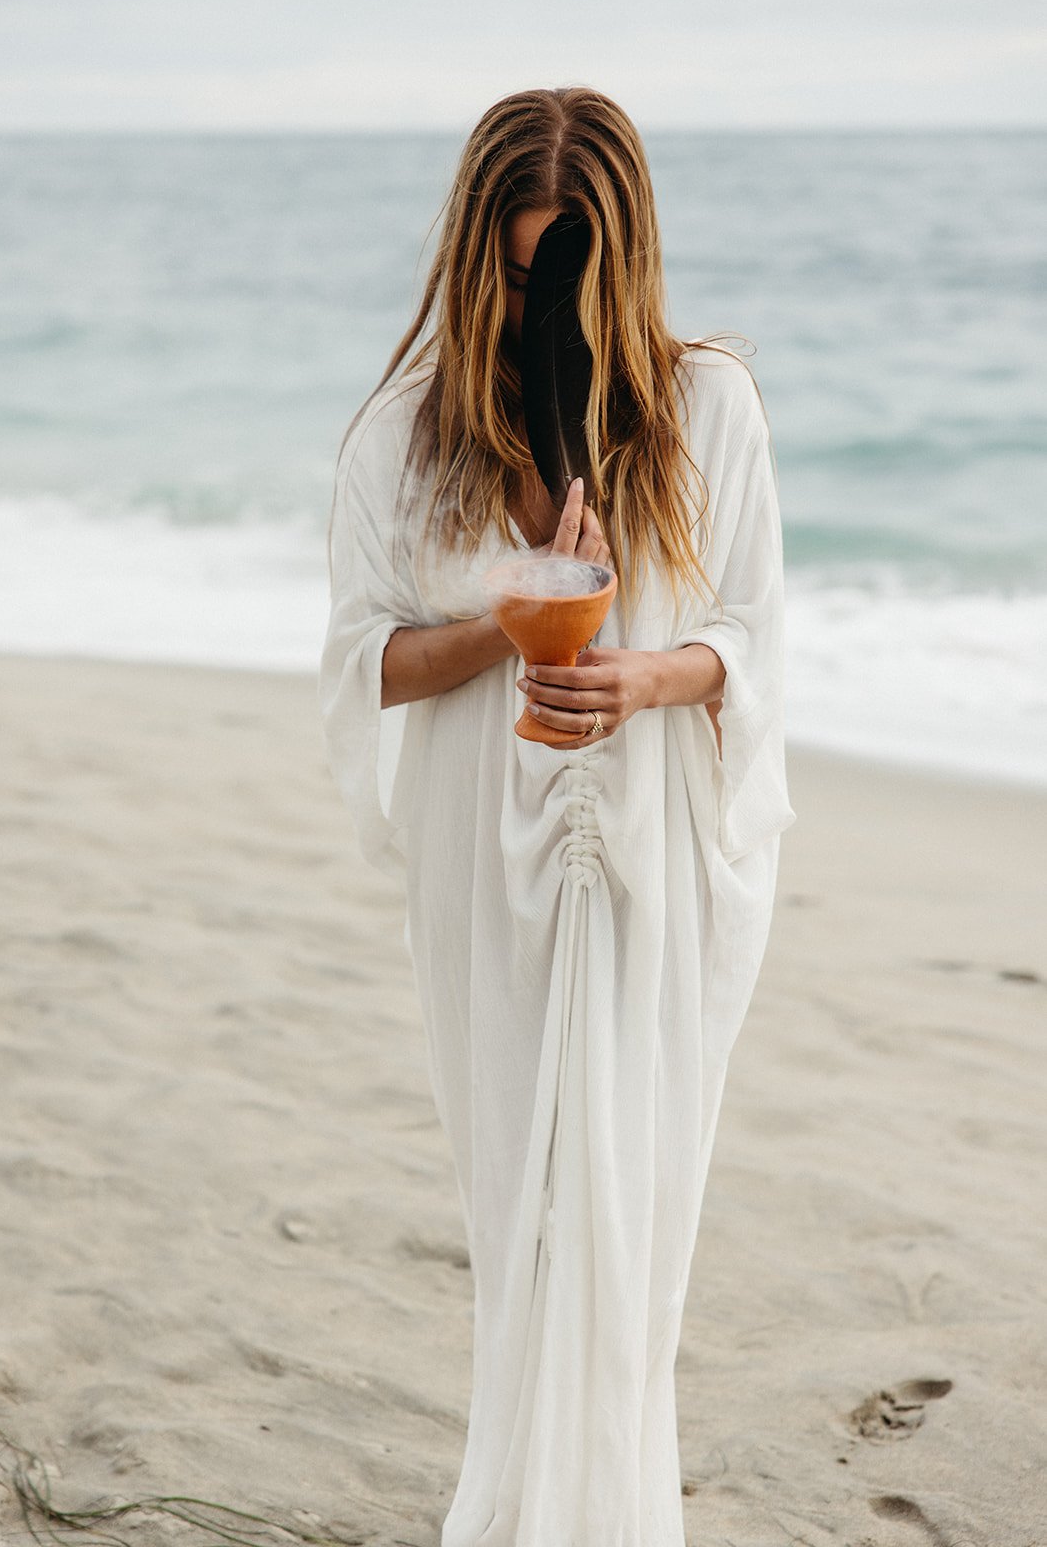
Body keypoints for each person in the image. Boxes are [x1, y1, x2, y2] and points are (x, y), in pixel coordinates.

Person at [319, 86, 796, 1546]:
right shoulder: (410, 437)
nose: (549, 307)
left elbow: (755, 643)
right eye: (525, 276)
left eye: (572, 274)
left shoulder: (707, 407)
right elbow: (363, 660)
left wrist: (649, 674)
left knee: (629, 1218)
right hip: (484, 852)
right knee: (516, 1221)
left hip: (652, 844)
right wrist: (511, 617)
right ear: (479, 262)